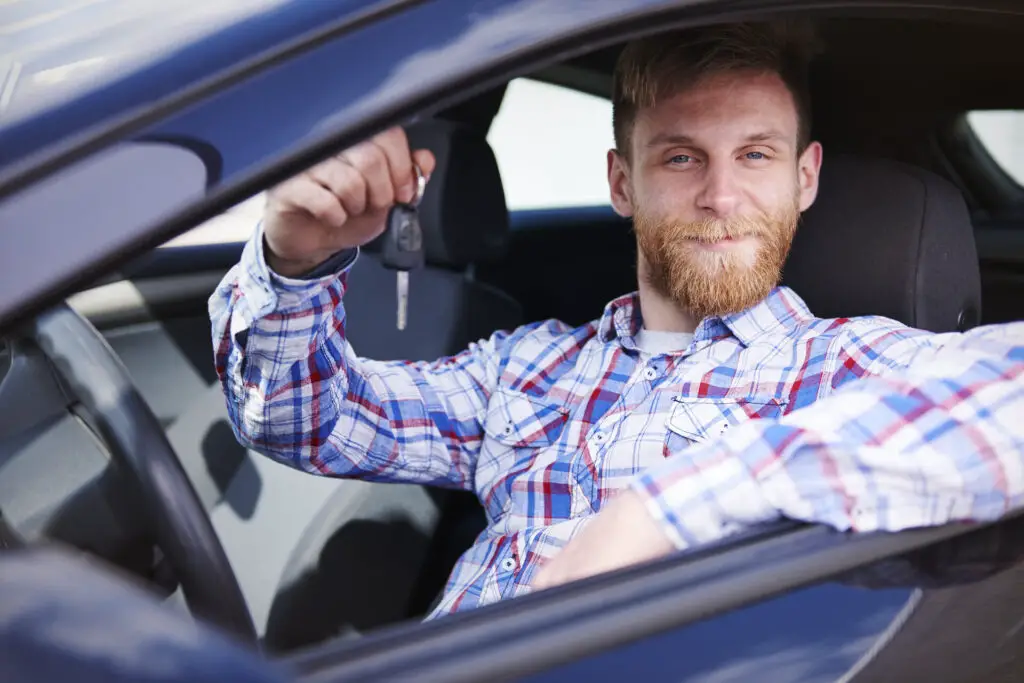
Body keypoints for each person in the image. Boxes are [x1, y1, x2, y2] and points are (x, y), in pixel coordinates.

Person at [209, 22, 1024, 617]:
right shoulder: (523, 368)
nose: (721, 195)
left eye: (755, 154)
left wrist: (668, 509)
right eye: (680, 157)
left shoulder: (849, 368)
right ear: (622, 183)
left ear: (804, 178)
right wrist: (294, 261)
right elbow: (296, 418)